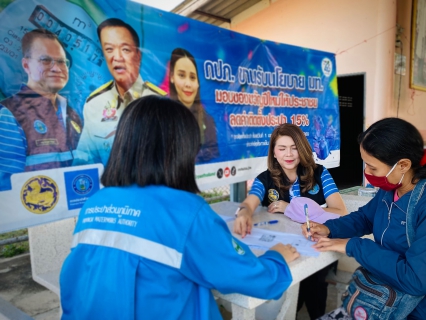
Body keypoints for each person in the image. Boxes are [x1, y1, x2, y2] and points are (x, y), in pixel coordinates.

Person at [59, 95, 300, 319]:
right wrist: (277, 258)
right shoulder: (186, 213)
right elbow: (250, 277)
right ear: (181, 151)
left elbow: (73, 280)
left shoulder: (95, 204)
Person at [305, 118, 426, 320]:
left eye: (373, 167)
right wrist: (329, 229)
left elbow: (414, 278)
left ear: (403, 165)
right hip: (382, 297)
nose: (367, 173)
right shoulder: (391, 189)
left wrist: (353, 246)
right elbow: (365, 218)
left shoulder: (422, 203)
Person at [234, 123, 347, 320]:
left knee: (314, 286)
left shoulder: (320, 174)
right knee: (287, 289)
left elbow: (340, 211)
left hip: (316, 243)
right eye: (282, 148)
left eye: (294, 147)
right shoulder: (265, 179)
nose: (289, 154)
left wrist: (290, 208)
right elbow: (251, 201)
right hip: (286, 246)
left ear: (302, 149)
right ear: (274, 153)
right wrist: (244, 211)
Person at [73, 18, 166, 166]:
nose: (117, 57)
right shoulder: (94, 104)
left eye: (125, 49)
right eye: (109, 49)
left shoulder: (162, 102)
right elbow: (84, 161)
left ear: (138, 56)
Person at [0, 28, 82, 191]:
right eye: (45, 60)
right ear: (26, 65)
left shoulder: (72, 114)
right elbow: (6, 191)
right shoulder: (9, 115)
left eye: (61, 62)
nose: (56, 68)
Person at [169, 47, 219, 163]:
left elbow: (214, 156)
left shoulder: (208, 120)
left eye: (192, 77)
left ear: (197, 82)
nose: (188, 84)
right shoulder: (162, 118)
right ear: (172, 77)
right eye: (181, 75)